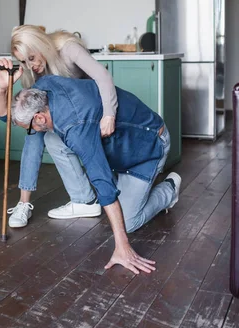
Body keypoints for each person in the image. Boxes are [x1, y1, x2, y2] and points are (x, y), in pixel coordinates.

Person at [10, 75, 182, 275]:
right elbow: (10, 115)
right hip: (117, 148)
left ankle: (169, 188)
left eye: (30, 129)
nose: (32, 132)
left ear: (40, 117)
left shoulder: (77, 128)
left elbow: (103, 184)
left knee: (129, 222)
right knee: (53, 139)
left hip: (146, 149)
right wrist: (5, 87)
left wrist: (122, 247)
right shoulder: (44, 87)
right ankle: (84, 201)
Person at [0, 25, 118, 229]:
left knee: (45, 135)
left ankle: (84, 200)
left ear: (41, 45)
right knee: (33, 132)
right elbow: (6, 116)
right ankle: (24, 203)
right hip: (63, 121)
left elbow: (102, 76)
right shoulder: (33, 73)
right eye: (23, 61)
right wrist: (4, 89)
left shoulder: (68, 49)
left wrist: (109, 115)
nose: (29, 65)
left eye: (31, 58)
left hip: (89, 115)